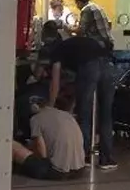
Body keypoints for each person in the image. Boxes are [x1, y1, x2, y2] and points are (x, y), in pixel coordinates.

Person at [48, 34, 116, 169]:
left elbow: (55, 83)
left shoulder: (56, 51)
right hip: (108, 65)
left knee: (84, 114)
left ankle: (84, 156)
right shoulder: (74, 43)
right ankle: (106, 159)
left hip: (89, 66)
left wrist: (49, 107)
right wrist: (71, 106)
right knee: (106, 114)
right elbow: (78, 88)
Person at [11, 91, 85, 179]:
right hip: (79, 171)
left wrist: (28, 148)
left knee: (13, 145)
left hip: (57, 172)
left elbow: (41, 153)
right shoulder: (67, 115)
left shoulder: (36, 119)